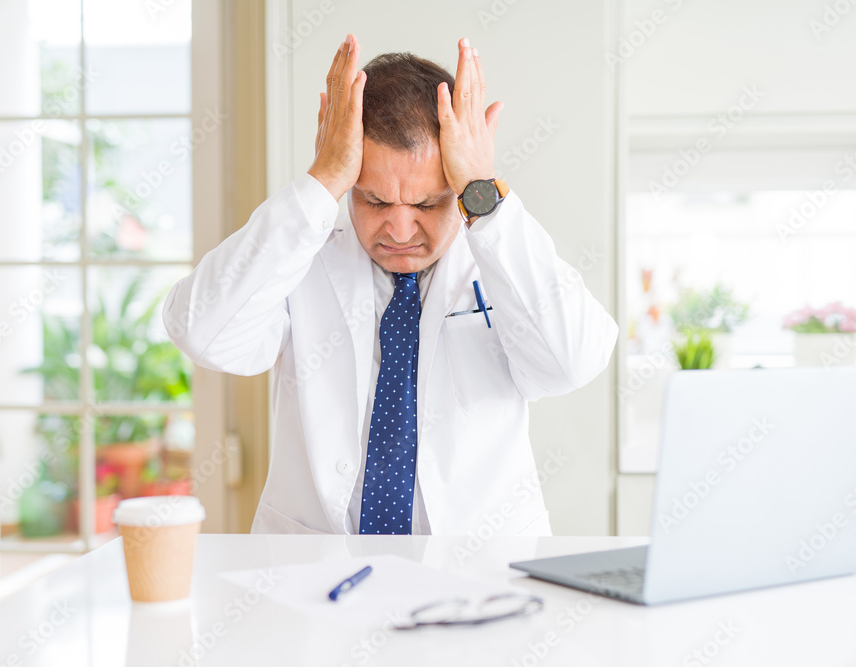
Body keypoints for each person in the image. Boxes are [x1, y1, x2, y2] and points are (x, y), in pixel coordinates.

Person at [163, 34, 618, 536]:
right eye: (374, 201)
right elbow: (203, 333)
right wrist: (321, 181)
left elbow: (572, 361)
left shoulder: (502, 255)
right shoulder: (298, 258)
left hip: (478, 568)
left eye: (427, 204)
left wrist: (483, 194)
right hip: (312, 567)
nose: (400, 231)